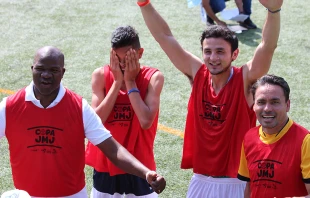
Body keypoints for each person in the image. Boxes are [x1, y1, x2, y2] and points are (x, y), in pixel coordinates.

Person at [137, 0, 282, 197]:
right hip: (200, 181)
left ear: (235, 54)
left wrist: (273, 11)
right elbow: (165, 37)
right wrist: (144, 3)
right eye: (208, 51)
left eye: (220, 51)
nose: (213, 57)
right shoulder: (198, 74)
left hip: (237, 183)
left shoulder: (245, 80)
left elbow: (267, 46)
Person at [0, 46, 166, 197]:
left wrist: (145, 173)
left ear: (63, 72)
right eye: (40, 69)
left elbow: (112, 148)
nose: (46, 75)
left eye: (53, 70)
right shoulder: (9, 106)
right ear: (32, 69)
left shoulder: (79, 107)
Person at [85, 26, 164, 198]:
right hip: (105, 165)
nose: (122, 65)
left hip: (141, 167)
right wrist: (116, 83)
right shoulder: (100, 76)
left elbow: (145, 121)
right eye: (117, 59)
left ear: (140, 53)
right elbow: (95, 122)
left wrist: (129, 82)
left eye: (127, 59)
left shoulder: (153, 78)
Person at [237, 74, 310, 197]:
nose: (267, 108)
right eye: (261, 102)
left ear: (287, 105)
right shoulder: (249, 137)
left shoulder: (305, 141)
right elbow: (249, 188)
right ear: (254, 106)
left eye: (275, 102)